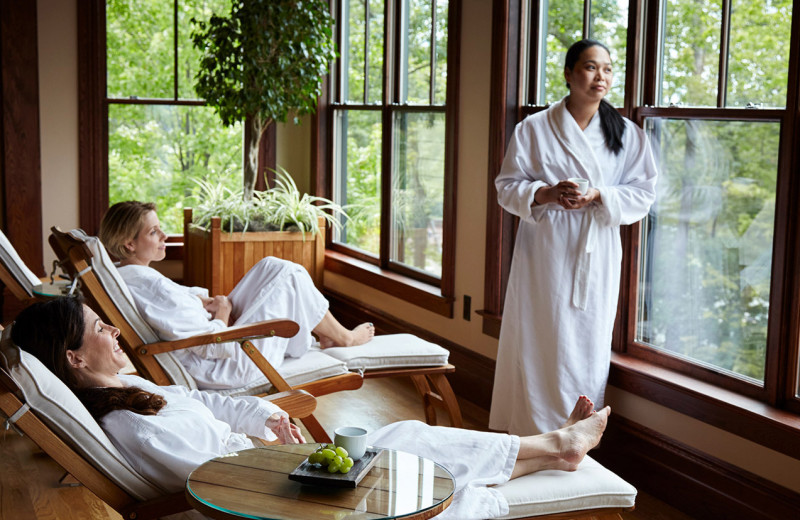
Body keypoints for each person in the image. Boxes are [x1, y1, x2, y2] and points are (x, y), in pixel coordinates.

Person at [12, 297, 610, 520]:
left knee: (400, 436)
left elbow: (202, 400)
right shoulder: (126, 420)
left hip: (271, 466)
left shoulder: (135, 390)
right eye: (99, 330)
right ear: (75, 359)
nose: (114, 332)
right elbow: (204, 481)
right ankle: (555, 446)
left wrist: (262, 416)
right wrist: (277, 452)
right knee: (404, 445)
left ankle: (554, 449)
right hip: (270, 494)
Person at [489, 39, 657, 435]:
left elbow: (644, 193)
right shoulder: (533, 128)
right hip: (543, 250)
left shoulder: (627, 135)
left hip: (594, 253)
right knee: (538, 336)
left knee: (585, 341)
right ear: (568, 73)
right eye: (590, 67)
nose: (601, 76)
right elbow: (506, 186)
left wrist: (599, 194)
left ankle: (576, 436)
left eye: (608, 69)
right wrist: (547, 193)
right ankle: (532, 433)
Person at [99, 201, 375, 390]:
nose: (164, 235)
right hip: (232, 362)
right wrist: (223, 312)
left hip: (220, 341)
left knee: (271, 266)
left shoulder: (127, 275)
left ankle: (325, 331)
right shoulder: (151, 288)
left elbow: (173, 306)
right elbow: (214, 346)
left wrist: (202, 301)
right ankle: (343, 337)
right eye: (153, 231)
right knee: (290, 275)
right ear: (130, 243)